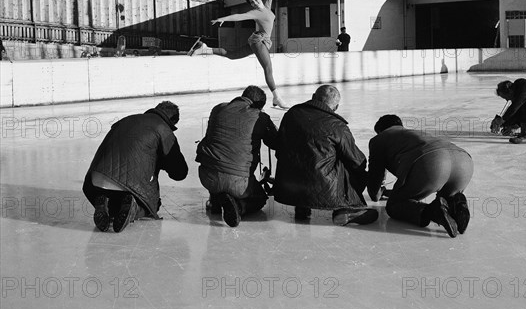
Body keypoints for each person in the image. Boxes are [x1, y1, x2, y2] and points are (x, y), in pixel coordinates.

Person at [273, 84, 378, 226]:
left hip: (289, 186)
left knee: (303, 155)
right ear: (336, 107)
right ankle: (346, 208)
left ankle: (302, 207)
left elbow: (279, 146)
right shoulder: (337, 125)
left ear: (313, 97)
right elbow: (356, 160)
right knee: (346, 162)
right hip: (324, 189)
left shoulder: (291, 114)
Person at [191, 0, 288, 109]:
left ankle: (205, 49)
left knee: (233, 55)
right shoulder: (255, 12)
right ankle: (277, 98)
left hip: (262, 41)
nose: (254, 3)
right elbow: (239, 16)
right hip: (258, 40)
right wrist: (222, 18)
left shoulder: (267, 5)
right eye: (251, 2)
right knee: (268, 68)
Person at [83, 101, 188, 232]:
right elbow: (179, 172)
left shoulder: (125, 120)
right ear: (172, 122)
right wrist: (161, 160)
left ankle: (105, 202)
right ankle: (135, 209)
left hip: (95, 181)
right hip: (128, 185)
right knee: (150, 206)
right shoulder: (164, 130)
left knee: (118, 201)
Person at [367, 115, 474, 238]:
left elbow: (375, 177)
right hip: (463, 162)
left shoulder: (379, 139)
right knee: (447, 199)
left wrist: (376, 194)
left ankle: (432, 210)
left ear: (380, 130)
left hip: (433, 162)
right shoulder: (412, 134)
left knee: (394, 205)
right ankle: (456, 203)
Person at [196, 85, 278, 227]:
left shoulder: (218, 109)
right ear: (259, 105)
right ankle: (239, 207)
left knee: (219, 158)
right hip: (238, 183)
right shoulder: (260, 117)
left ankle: (216, 198)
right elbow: (276, 142)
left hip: (207, 176)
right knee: (260, 199)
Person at [491, 78, 526, 144]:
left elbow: (515, 106)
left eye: (506, 97)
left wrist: (502, 120)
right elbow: (518, 110)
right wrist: (508, 125)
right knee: (523, 103)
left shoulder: (525, 87)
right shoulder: (520, 90)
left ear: (510, 91)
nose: (507, 100)